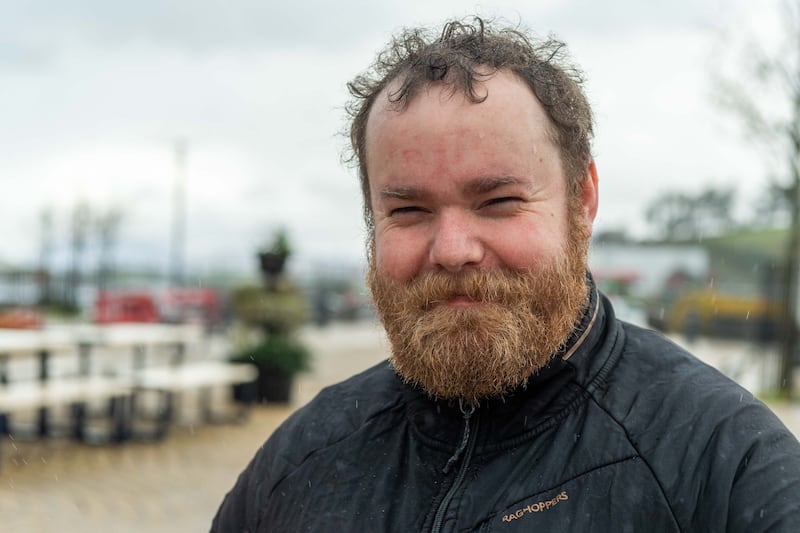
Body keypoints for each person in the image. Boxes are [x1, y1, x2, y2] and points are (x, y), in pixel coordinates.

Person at [212, 17, 800, 532]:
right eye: (409, 211)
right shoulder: (298, 465)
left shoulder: (724, 466)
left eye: (497, 201)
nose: (453, 249)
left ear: (583, 200)